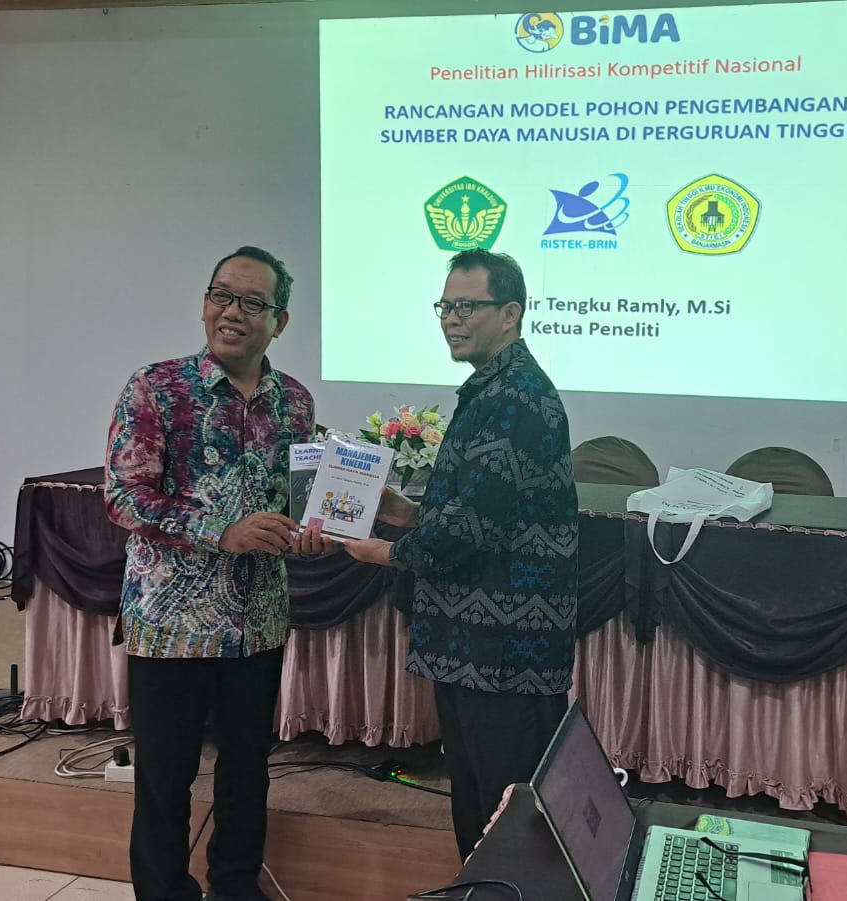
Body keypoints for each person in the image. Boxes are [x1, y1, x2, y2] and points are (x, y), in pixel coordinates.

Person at [340, 248, 580, 859]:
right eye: (445, 306)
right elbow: (487, 508)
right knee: (478, 810)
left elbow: (471, 528)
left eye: (467, 306)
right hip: (476, 644)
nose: (451, 318)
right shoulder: (491, 388)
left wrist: (387, 551)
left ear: (511, 313)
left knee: (508, 822)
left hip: (503, 650)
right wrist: (409, 514)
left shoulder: (515, 397)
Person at [105, 246, 317, 901]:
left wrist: (314, 530)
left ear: (279, 322)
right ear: (204, 304)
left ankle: (235, 886)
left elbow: (296, 502)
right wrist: (220, 531)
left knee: (248, 770)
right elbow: (124, 496)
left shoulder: (295, 402)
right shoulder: (156, 388)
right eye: (221, 295)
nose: (232, 311)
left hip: (258, 623)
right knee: (165, 777)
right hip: (172, 624)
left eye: (252, 302)